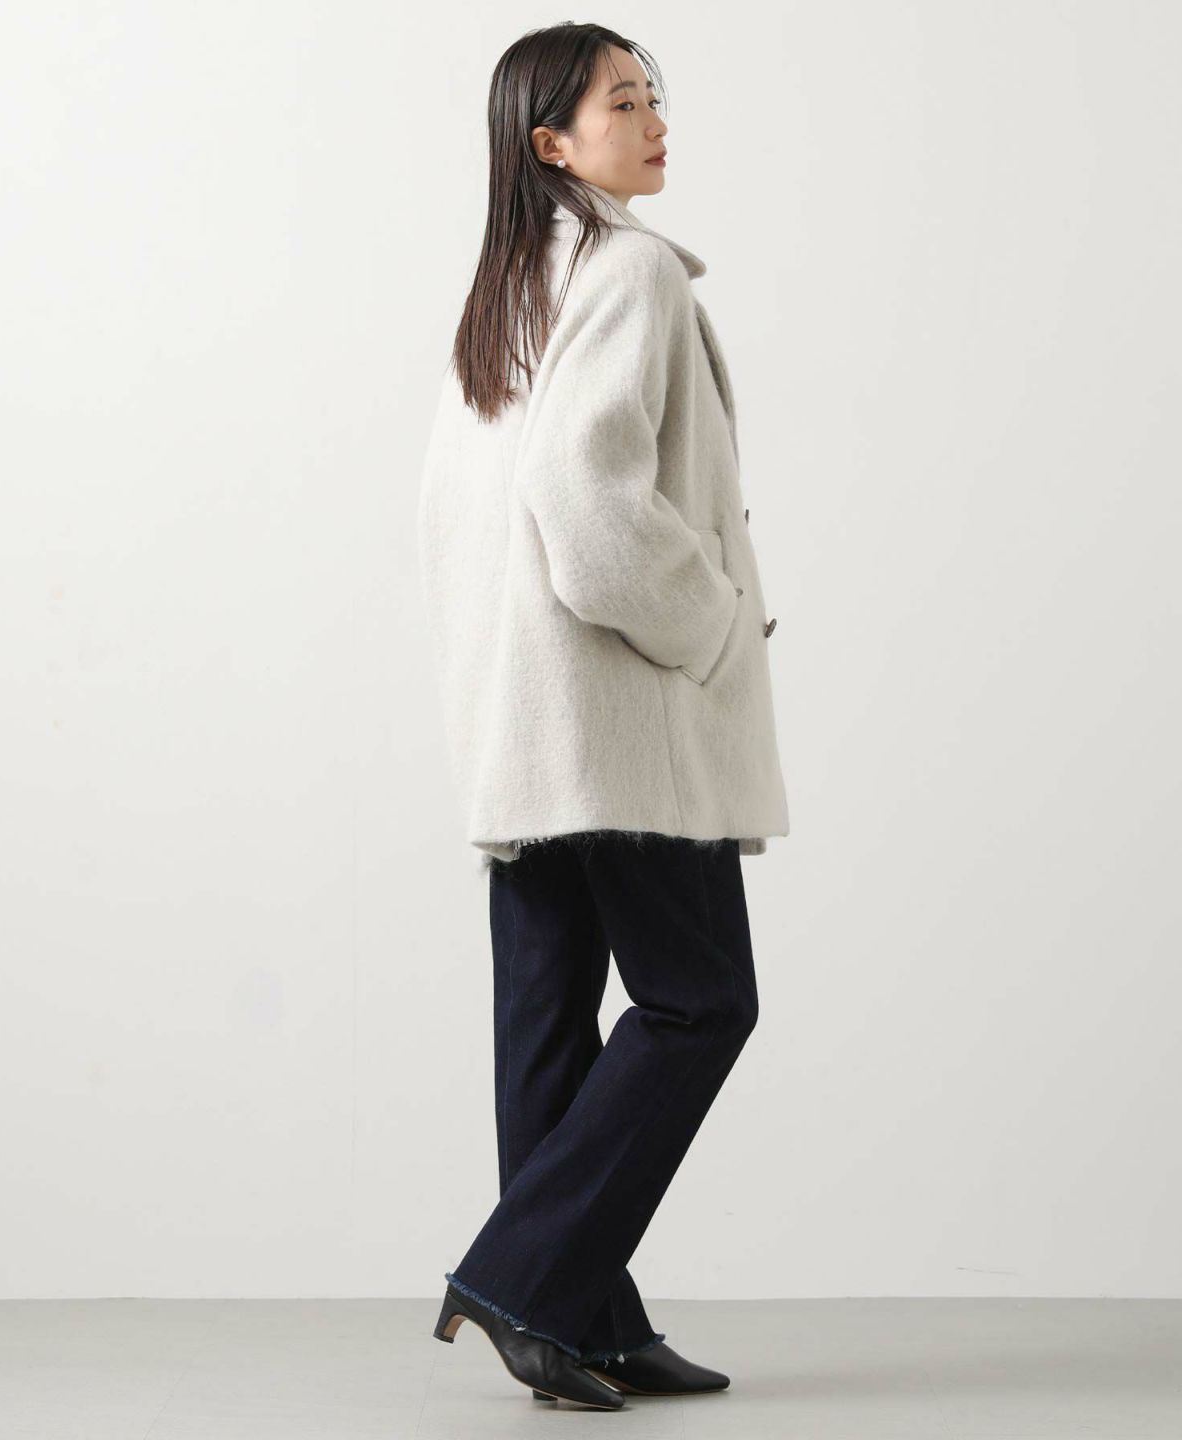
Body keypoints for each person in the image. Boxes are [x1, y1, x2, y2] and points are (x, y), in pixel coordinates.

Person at [417, 21, 790, 1411]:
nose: (653, 120)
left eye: (652, 96)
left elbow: (452, 514)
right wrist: (711, 619)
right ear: (552, 144)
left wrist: (494, 683)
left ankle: (581, 1316)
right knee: (702, 1000)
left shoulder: (513, 284)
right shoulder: (627, 271)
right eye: (621, 103)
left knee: (549, 1024)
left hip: (525, 717)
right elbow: (585, 502)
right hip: (616, 718)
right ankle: (524, 1279)